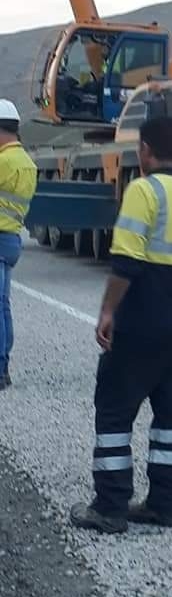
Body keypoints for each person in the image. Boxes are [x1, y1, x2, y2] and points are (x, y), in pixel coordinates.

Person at [70, 116, 172, 534]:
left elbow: (126, 262)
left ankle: (110, 506)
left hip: (142, 318)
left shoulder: (144, 190)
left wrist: (107, 312)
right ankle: (166, 504)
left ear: (146, 150)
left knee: (114, 412)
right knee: (171, 413)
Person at [0, 99, 38, 389]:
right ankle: (3, 365)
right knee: (3, 306)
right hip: (11, 239)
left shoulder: (4, 161)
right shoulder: (26, 161)